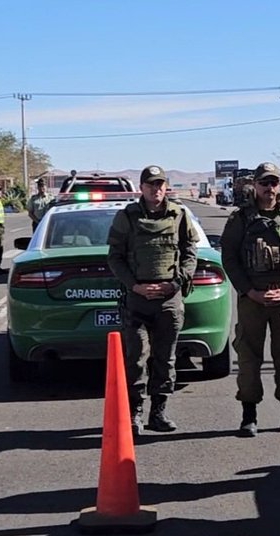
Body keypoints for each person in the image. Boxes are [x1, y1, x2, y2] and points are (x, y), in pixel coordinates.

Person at [106, 165, 199, 435]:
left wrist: (176, 282)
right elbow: (115, 257)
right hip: (137, 301)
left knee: (166, 359)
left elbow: (189, 253)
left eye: (160, 184)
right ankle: (134, 413)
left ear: (165, 186)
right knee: (136, 358)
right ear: (142, 187)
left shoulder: (179, 215)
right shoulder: (127, 217)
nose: (156, 189)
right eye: (150, 185)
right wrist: (134, 286)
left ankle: (158, 412)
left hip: (169, 300)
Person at [221, 162, 280, 437]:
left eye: (274, 183)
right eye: (265, 183)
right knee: (249, 357)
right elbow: (229, 257)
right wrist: (248, 291)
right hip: (252, 298)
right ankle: (249, 414)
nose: (270, 188)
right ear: (256, 185)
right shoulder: (239, 219)